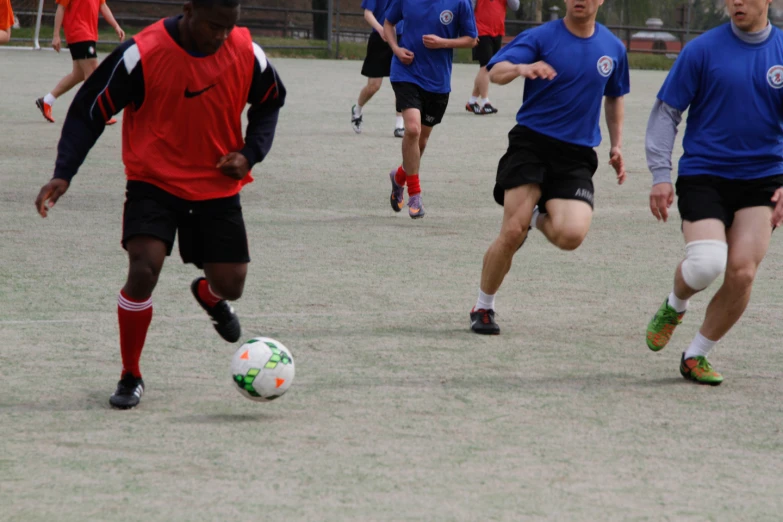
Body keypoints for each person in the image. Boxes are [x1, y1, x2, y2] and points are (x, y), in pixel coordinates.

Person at [33, 0, 286, 409]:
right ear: (189, 10)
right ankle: (130, 374)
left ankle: (208, 294)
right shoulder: (143, 52)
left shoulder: (245, 51)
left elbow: (271, 100)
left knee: (231, 285)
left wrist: (250, 153)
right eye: (212, 26)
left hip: (216, 184)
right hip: (154, 181)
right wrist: (64, 171)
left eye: (229, 27)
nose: (221, 36)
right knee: (143, 267)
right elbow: (89, 110)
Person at [645, 0, 783, 385]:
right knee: (707, 263)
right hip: (704, 174)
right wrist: (660, 173)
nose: (737, 2)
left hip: (763, 178)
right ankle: (676, 304)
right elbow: (666, 113)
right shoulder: (702, 50)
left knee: (741, 273)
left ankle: (696, 355)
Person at [469, 0, 628, 334]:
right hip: (532, 144)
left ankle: (537, 216)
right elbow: (495, 72)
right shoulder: (541, 37)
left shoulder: (613, 48)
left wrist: (616, 144)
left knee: (571, 236)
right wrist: (521, 69)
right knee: (512, 232)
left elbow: (614, 97)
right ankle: (483, 306)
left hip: (576, 154)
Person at [384, 0, 478, 219]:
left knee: (421, 141)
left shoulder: (460, 3)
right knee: (413, 130)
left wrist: (443, 42)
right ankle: (414, 194)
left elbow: (472, 39)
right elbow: (388, 24)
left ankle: (399, 177)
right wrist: (396, 49)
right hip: (405, 72)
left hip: (437, 82)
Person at [35, 0, 125, 124]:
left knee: (78, 74)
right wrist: (56, 35)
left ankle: (47, 100)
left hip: (89, 34)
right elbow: (61, 8)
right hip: (79, 33)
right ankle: (93, 112)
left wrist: (116, 26)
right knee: (94, 73)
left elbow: (102, 6)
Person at [351, 0, 405, 138]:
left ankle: (400, 125)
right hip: (380, 39)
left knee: (402, 83)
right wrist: (382, 29)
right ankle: (357, 110)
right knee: (374, 86)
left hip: (402, 38)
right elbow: (368, 13)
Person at [465, 0, 519, 115]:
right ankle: (485, 102)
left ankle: (472, 101)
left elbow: (515, 6)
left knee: (487, 67)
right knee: (486, 66)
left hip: (498, 31)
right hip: (481, 31)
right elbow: (469, 7)